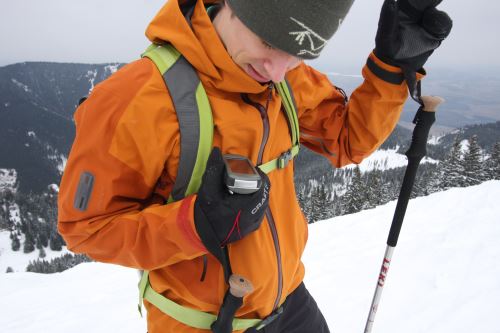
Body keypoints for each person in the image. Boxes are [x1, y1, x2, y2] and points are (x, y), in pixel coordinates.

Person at [57, 0, 451, 332]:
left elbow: (348, 141)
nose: (277, 71)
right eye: (267, 42)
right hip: (201, 321)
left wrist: (390, 69)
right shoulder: (136, 98)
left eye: (299, 54)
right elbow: (87, 229)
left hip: (289, 303)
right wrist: (193, 225)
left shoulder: (286, 79)